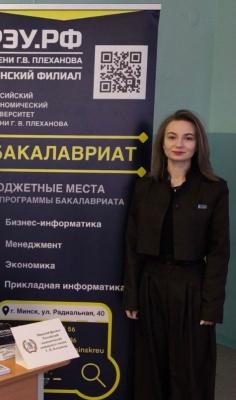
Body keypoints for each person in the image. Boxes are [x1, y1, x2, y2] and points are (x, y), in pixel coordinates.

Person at [123, 109, 230, 400]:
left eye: (188, 138)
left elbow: (219, 252)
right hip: (151, 287)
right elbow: (132, 245)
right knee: (151, 367)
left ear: (198, 144)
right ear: (162, 142)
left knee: (189, 370)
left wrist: (211, 306)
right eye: (172, 136)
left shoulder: (214, 189)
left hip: (192, 290)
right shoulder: (145, 187)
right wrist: (132, 295)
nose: (179, 143)